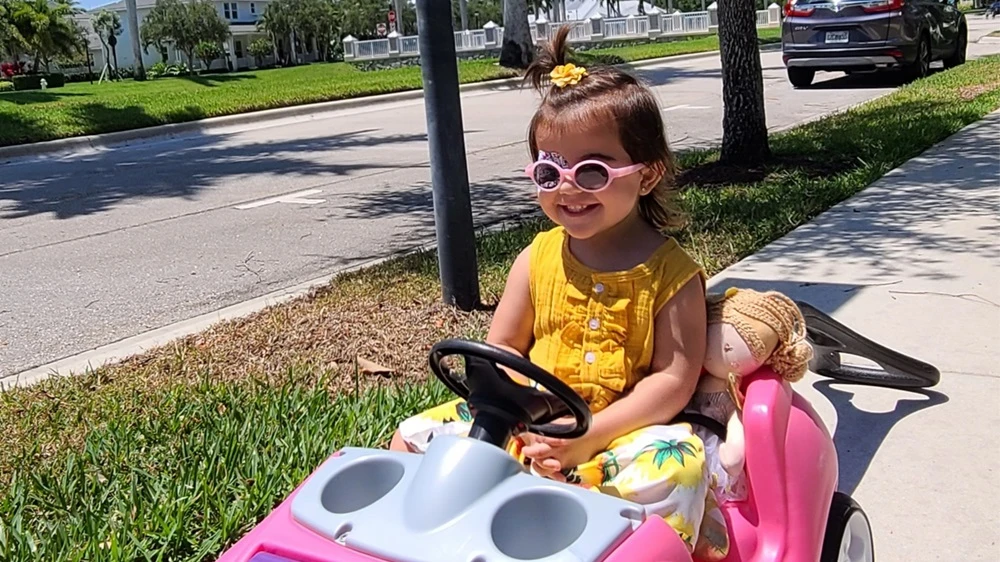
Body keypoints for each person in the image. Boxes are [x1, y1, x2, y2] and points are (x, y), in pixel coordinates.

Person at [388, 27, 729, 559]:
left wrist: (590, 437)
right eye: (549, 171)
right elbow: (502, 350)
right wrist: (524, 418)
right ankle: (433, 543)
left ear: (647, 175)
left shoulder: (672, 275)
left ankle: (654, 548)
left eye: (591, 171)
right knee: (413, 437)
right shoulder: (536, 258)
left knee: (679, 465)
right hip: (531, 419)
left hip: (621, 429)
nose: (567, 187)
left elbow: (672, 381)